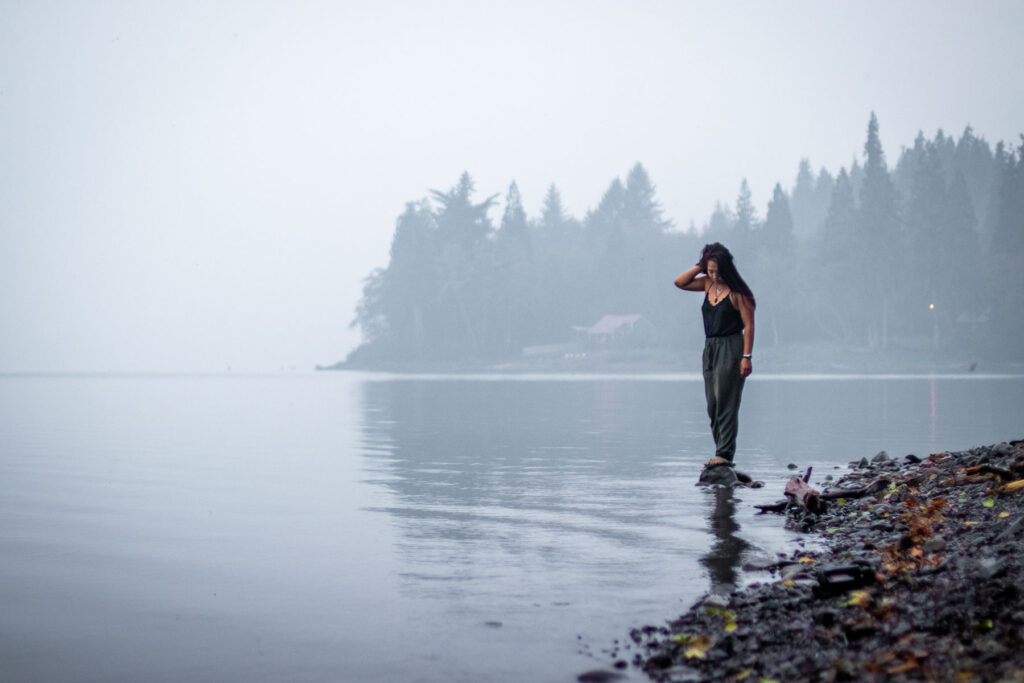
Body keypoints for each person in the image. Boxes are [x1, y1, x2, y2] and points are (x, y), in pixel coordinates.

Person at [674, 243, 755, 475]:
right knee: (713, 403)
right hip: (710, 347)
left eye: (717, 271)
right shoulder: (707, 284)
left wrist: (746, 357)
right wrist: (701, 265)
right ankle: (720, 451)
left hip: (732, 346)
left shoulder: (739, 293)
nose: (714, 275)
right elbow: (680, 282)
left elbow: (749, 326)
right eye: (710, 271)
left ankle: (724, 455)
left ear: (727, 269)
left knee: (727, 401)